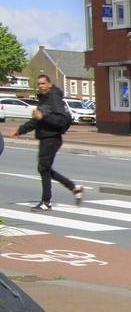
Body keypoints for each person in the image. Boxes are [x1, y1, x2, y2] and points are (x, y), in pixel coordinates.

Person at [9, 74, 84, 211]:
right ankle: (74, 188)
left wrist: (43, 116)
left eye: (43, 83)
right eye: (39, 84)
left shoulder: (54, 99)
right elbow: (36, 121)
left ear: (50, 84)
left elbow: (60, 121)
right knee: (45, 168)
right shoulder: (45, 99)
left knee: (43, 168)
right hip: (46, 137)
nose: (41, 86)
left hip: (52, 138)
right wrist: (20, 130)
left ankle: (46, 202)